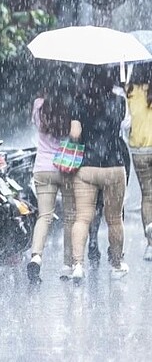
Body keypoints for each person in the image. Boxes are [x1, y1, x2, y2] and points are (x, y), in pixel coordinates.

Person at [68, 66, 128, 282]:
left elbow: (75, 135)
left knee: (82, 218)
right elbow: (120, 128)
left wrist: (79, 128)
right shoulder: (119, 102)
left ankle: (77, 265)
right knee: (114, 219)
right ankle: (116, 264)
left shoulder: (80, 102)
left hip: (87, 166)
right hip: (114, 165)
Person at [27, 72, 76, 283]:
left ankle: (36, 257)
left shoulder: (39, 104)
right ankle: (67, 265)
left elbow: (37, 125)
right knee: (69, 217)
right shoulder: (72, 107)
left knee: (44, 216)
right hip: (66, 167)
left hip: (42, 167)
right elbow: (75, 135)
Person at [126, 64, 152, 260]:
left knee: (147, 196)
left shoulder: (130, 91)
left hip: (139, 151)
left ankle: (150, 244)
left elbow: (126, 122)